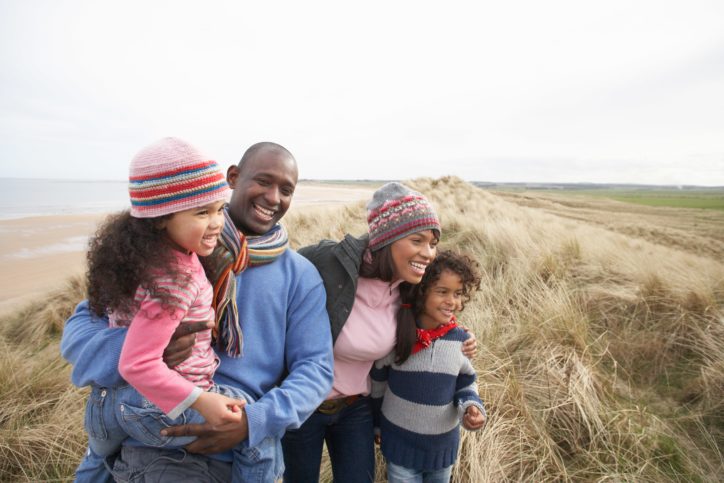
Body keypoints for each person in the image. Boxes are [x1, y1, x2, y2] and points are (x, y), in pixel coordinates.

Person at [61, 141, 334, 482]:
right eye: (263, 181)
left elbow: (316, 369)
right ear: (232, 177)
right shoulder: (162, 253)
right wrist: (142, 346)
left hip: (237, 443)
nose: (273, 197)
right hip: (152, 439)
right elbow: (80, 329)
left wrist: (253, 421)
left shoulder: (299, 275)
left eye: (286, 190)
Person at [78, 137, 259, 479]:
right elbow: (136, 363)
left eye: (220, 208)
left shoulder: (142, 258)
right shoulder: (175, 280)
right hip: (160, 402)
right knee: (257, 431)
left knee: (98, 462)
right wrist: (201, 401)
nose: (217, 223)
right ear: (161, 218)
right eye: (201, 212)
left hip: (121, 401)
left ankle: (100, 447)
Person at [283, 182, 477, 483]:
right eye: (417, 240)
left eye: (433, 243)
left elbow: (437, 312)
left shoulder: (410, 287)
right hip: (303, 404)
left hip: (355, 408)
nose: (428, 253)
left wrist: (457, 333)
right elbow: (277, 280)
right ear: (387, 239)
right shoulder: (330, 263)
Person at [370, 250, 486, 483]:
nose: (452, 301)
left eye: (458, 294)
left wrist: (472, 407)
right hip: (399, 446)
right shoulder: (398, 337)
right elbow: (378, 386)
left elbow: (466, 383)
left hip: (441, 451)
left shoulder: (460, 341)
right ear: (420, 293)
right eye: (442, 292)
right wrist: (376, 425)